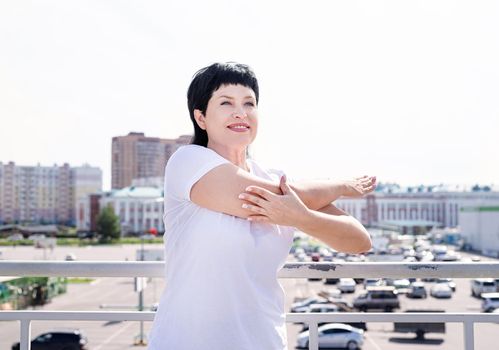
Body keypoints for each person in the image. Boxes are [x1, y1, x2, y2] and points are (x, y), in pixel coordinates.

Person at [148, 62, 374, 350]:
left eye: (249, 103)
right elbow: (262, 196)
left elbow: (359, 240)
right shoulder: (188, 162)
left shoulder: (274, 179)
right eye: (226, 102)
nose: (240, 112)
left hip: (262, 340)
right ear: (201, 117)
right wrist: (340, 185)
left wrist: (300, 217)